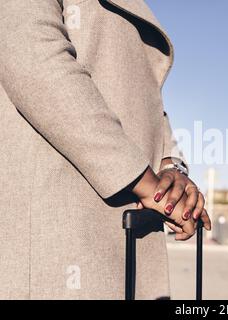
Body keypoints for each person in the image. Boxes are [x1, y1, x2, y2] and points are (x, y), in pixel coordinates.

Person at [0, 0, 210, 299]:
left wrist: (170, 166)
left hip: (118, 231)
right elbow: (33, 58)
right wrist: (145, 182)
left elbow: (147, 100)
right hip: (61, 226)